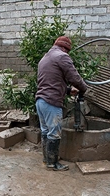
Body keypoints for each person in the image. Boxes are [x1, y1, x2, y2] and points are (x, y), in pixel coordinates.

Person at [35, 36, 88, 171]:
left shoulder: (45, 57)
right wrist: (83, 88)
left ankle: (47, 159)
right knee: (54, 133)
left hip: (41, 101)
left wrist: (68, 90)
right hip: (51, 103)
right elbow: (74, 77)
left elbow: (51, 81)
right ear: (65, 48)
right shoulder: (62, 56)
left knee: (45, 131)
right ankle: (53, 164)